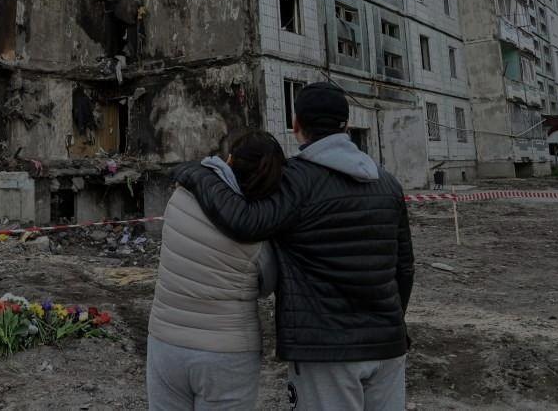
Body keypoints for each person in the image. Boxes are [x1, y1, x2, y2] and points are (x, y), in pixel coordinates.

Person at [174, 83, 415, 411]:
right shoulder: (387, 183)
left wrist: (197, 174)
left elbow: (245, 222)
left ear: (296, 123)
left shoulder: (295, 180)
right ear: (346, 125)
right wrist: (391, 323)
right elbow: (404, 268)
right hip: (387, 345)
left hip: (325, 351)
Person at [146, 130, 285, 410]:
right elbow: (267, 285)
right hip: (228, 352)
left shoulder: (182, 195)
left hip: (165, 342)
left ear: (230, 159)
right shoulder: (258, 229)